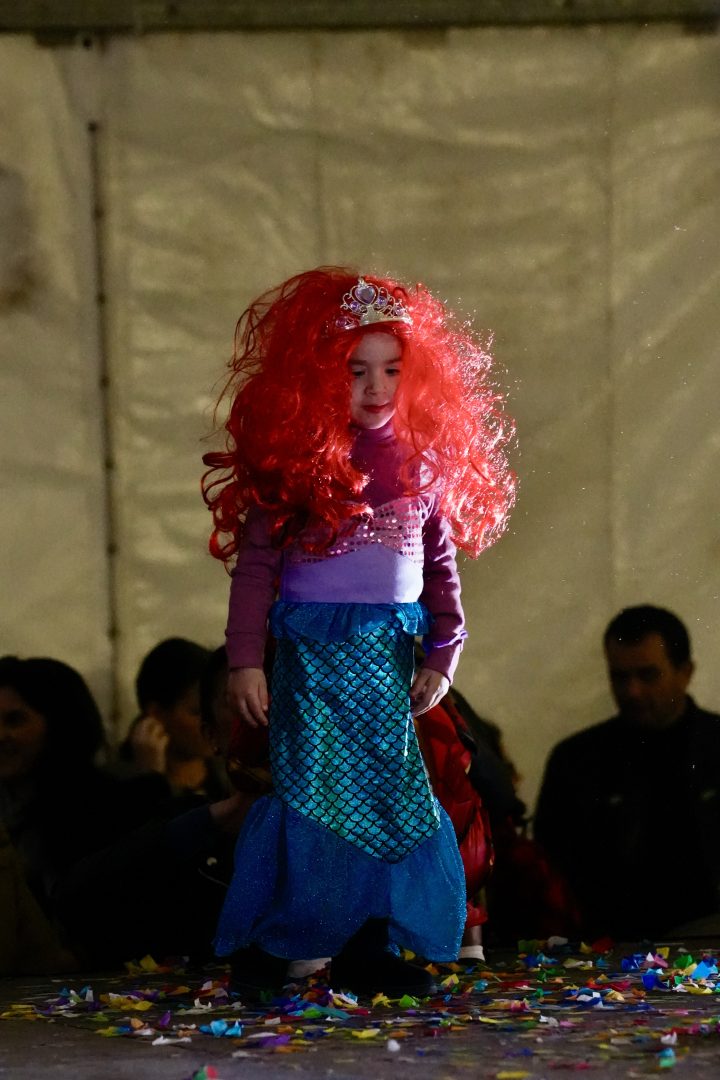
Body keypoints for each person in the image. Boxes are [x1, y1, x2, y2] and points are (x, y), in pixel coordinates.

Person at [201, 267, 515, 996]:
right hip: (312, 661)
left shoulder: (423, 462)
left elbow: (440, 570)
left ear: (418, 374)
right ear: (315, 375)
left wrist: (445, 650)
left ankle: (370, 934)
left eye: (393, 369)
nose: (376, 387)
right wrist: (245, 662)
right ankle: (306, 940)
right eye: (355, 370)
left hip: (387, 662)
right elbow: (255, 570)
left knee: (390, 793)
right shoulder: (293, 466)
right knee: (313, 792)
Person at [534, 605, 720, 942]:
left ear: (685, 672)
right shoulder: (576, 760)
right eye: (620, 677)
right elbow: (552, 875)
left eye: (648, 675)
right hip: (609, 949)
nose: (632, 691)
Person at [119, 637, 229, 801]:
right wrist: (149, 780)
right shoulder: (117, 785)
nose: (214, 721)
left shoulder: (234, 776)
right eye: (197, 712)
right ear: (156, 713)